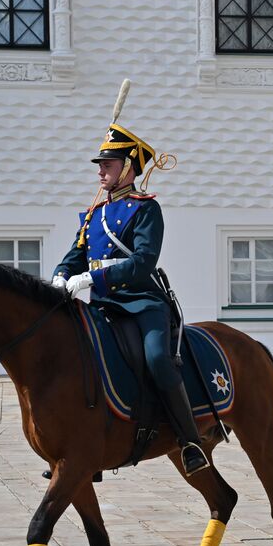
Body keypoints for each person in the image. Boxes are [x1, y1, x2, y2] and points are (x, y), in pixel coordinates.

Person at [51, 117, 210, 474]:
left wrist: (93, 277)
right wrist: (59, 277)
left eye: (107, 165)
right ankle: (81, 446)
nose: (100, 172)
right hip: (103, 306)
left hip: (140, 302)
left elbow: (142, 262)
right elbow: (73, 255)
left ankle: (189, 441)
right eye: (100, 166)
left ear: (128, 168)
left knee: (157, 359)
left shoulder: (146, 208)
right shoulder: (95, 214)